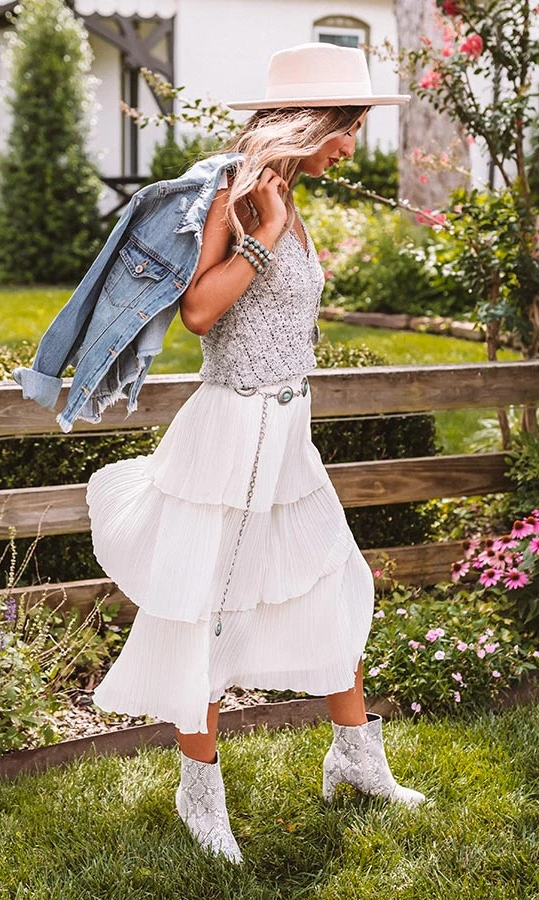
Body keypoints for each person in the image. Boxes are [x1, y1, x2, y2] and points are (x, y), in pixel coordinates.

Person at [86, 43, 429, 865]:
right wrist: (267, 235)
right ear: (309, 122)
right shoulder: (237, 194)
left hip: (287, 433)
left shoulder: (289, 189)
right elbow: (201, 310)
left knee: (333, 580)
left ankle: (354, 759)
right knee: (202, 611)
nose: (351, 142)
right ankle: (198, 792)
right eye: (346, 125)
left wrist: (285, 231)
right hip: (233, 434)